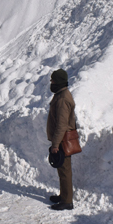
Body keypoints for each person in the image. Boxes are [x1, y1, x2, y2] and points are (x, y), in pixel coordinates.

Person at [47, 69, 77, 211]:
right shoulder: (61, 95)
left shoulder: (63, 98)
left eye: (53, 80)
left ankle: (67, 201)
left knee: (65, 170)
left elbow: (62, 124)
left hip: (63, 140)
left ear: (58, 82)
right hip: (62, 140)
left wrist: (55, 144)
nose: (51, 83)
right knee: (62, 169)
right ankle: (63, 195)